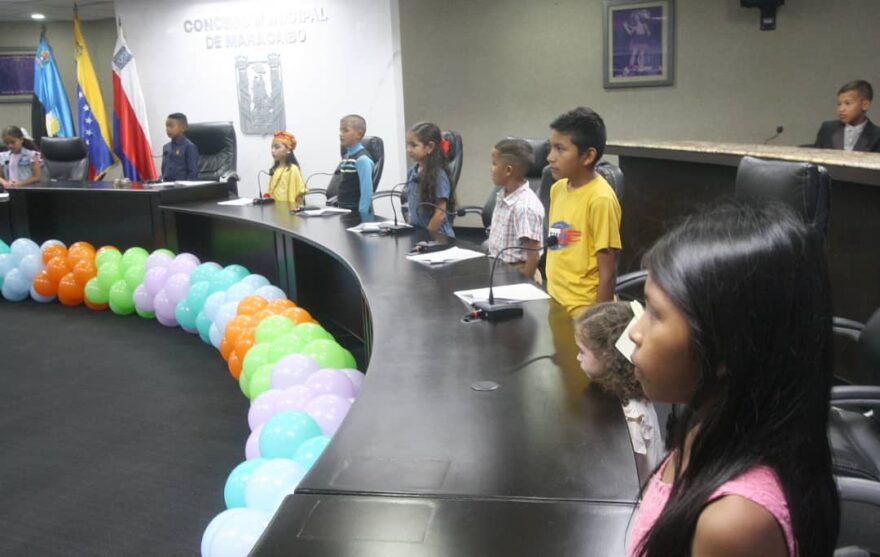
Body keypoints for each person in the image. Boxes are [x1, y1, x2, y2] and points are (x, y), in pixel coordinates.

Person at [627, 201, 839, 557]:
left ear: (724, 348)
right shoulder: (708, 425)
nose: (635, 332)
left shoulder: (731, 525)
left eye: (655, 313)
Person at [575, 301, 664, 478]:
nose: (578, 357)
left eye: (582, 351)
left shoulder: (632, 417)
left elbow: (631, 476)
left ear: (607, 357)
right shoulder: (629, 387)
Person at [545, 107, 621, 316]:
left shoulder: (600, 200)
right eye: (551, 148)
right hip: (555, 299)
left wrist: (596, 324)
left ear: (588, 156)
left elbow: (608, 275)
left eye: (560, 149)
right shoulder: (557, 189)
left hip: (583, 311)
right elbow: (560, 248)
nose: (550, 157)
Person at [486, 138, 545, 282]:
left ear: (508, 170)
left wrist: (523, 283)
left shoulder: (524, 207)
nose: (490, 168)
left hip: (518, 272)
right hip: (499, 267)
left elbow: (533, 254)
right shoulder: (504, 195)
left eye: (494, 163)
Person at [404, 121, 456, 238]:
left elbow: (440, 213)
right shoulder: (412, 171)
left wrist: (428, 234)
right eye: (408, 145)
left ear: (430, 147)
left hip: (437, 236)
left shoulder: (438, 175)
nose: (408, 149)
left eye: (414, 145)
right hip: (419, 233)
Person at [814, 80, 880, 152]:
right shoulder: (828, 129)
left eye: (847, 103)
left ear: (865, 105)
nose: (841, 109)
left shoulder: (876, 136)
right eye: (839, 104)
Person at [336, 114, 375, 213]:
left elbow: (366, 192)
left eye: (345, 131)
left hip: (356, 213)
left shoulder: (362, 160)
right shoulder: (346, 157)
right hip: (344, 210)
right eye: (340, 130)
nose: (341, 134)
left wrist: (362, 216)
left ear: (359, 134)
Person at [266, 131, 306, 207]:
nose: (273, 151)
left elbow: (299, 194)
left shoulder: (293, 169)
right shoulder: (275, 169)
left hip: (289, 210)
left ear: (288, 150)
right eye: (272, 147)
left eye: (277, 147)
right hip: (274, 209)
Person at [161, 112, 199, 181]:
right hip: (166, 185)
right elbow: (164, 171)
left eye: (171, 126)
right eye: (167, 126)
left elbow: (193, 174)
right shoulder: (166, 147)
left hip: (182, 186)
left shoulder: (189, 147)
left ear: (183, 128)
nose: (168, 129)